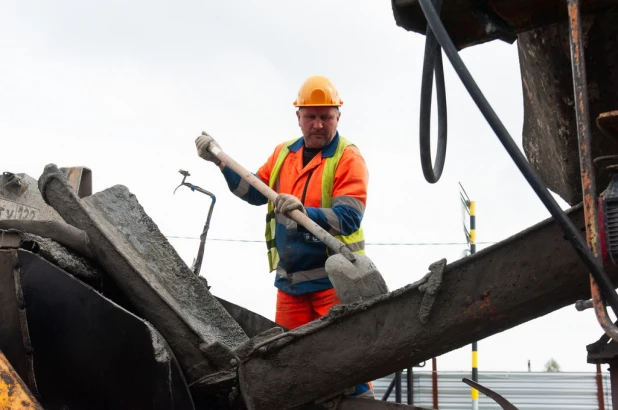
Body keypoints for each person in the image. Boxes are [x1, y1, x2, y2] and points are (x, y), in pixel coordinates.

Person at [195, 75, 373, 398]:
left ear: (338, 117)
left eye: (325, 117)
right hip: (291, 284)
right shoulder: (283, 155)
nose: (318, 125)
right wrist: (220, 161)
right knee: (289, 365)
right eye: (311, 117)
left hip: (333, 283)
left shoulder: (348, 157)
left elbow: (349, 217)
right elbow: (251, 189)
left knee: (347, 362)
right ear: (299, 117)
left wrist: (305, 213)